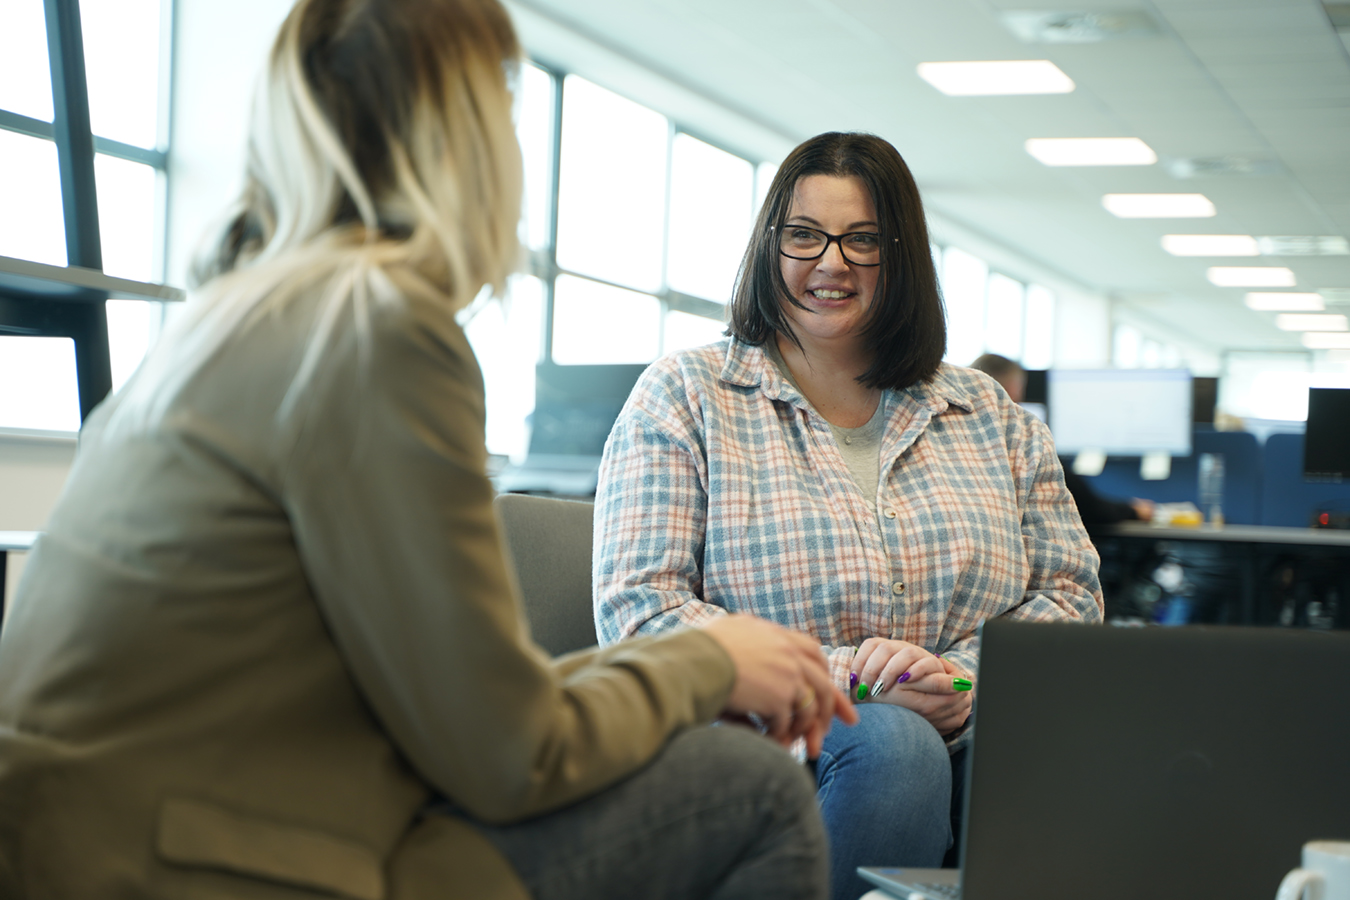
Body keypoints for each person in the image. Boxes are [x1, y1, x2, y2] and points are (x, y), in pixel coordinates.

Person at [0, 2, 858, 898]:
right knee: (750, 789)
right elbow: (508, 752)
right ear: (470, 131)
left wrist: (689, 668)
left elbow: (454, 701)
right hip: (190, 865)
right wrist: (708, 663)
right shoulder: (375, 332)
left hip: (91, 835)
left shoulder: (238, 317)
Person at [594, 132, 1104, 900]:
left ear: (902, 257)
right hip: (754, 734)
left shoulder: (988, 414)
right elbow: (641, 612)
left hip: (970, 727)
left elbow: (1070, 594)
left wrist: (956, 681)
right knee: (894, 745)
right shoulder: (685, 395)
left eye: (862, 240)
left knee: (1096, 757)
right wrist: (854, 683)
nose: (830, 262)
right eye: (803, 234)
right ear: (770, 246)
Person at [969, 353, 1155, 527]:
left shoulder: (959, 441)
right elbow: (1088, 508)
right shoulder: (1022, 443)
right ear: (1012, 389)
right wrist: (1132, 510)